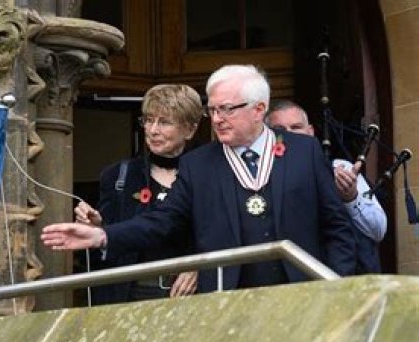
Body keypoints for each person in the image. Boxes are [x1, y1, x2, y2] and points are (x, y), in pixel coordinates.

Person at [42, 64, 356, 292]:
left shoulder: (305, 152)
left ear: (259, 109)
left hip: (303, 293)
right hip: (227, 301)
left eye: (227, 109)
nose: (217, 119)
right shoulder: (199, 164)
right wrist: (103, 236)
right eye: (213, 110)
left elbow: (337, 226)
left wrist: (335, 285)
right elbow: (162, 221)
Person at [74, 84, 203, 304]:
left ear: (190, 130)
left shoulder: (207, 174)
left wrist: (200, 266)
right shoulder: (118, 176)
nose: (153, 130)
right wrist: (97, 226)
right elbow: (107, 246)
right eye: (149, 120)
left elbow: (221, 234)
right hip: (131, 294)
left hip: (191, 296)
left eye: (164, 122)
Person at [266, 99, 386, 273]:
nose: (290, 135)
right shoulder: (261, 177)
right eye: (280, 130)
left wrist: (350, 198)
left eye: (296, 127)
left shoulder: (342, 168)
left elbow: (377, 230)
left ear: (310, 132)